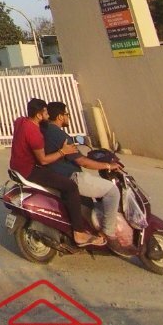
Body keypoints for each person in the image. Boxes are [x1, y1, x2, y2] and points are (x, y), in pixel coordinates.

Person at [10, 98, 105, 247]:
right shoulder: (34, 134)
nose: (48, 115)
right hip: (29, 170)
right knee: (70, 186)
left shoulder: (21, 121)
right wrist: (63, 151)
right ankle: (79, 233)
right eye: (46, 113)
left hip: (16, 167)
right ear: (39, 115)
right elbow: (43, 160)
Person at [42, 101, 122, 240]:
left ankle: (90, 228)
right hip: (71, 176)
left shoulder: (46, 130)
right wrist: (108, 166)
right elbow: (82, 162)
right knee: (112, 192)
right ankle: (108, 233)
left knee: (91, 202)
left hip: (56, 175)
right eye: (67, 114)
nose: (68, 117)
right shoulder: (61, 135)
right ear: (60, 116)